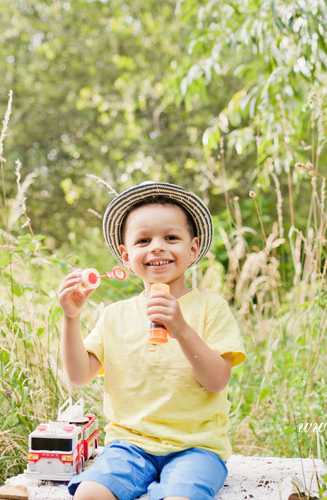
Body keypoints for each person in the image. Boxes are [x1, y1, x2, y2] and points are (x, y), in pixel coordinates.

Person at [58, 182, 246, 500]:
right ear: (126, 256)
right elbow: (78, 376)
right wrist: (71, 317)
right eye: (143, 240)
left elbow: (217, 381)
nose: (157, 247)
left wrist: (181, 328)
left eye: (171, 237)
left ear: (193, 248)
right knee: (88, 495)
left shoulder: (210, 308)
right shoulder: (114, 315)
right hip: (129, 447)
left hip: (196, 448)